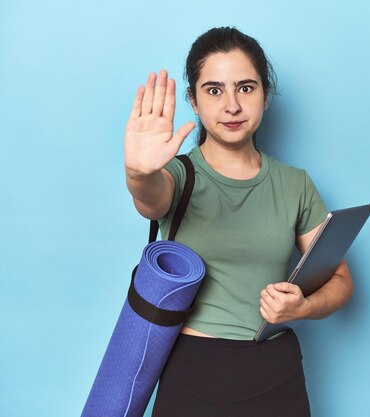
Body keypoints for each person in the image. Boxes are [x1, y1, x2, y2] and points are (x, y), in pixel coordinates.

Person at [124, 27, 353, 417]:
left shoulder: (295, 183)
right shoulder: (178, 175)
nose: (231, 105)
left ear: (265, 95)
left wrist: (303, 308)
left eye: (245, 88)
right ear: (193, 101)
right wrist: (138, 172)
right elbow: (150, 199)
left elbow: (342, 282)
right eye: (214, 90)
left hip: (276, 370)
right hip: (191, 368)